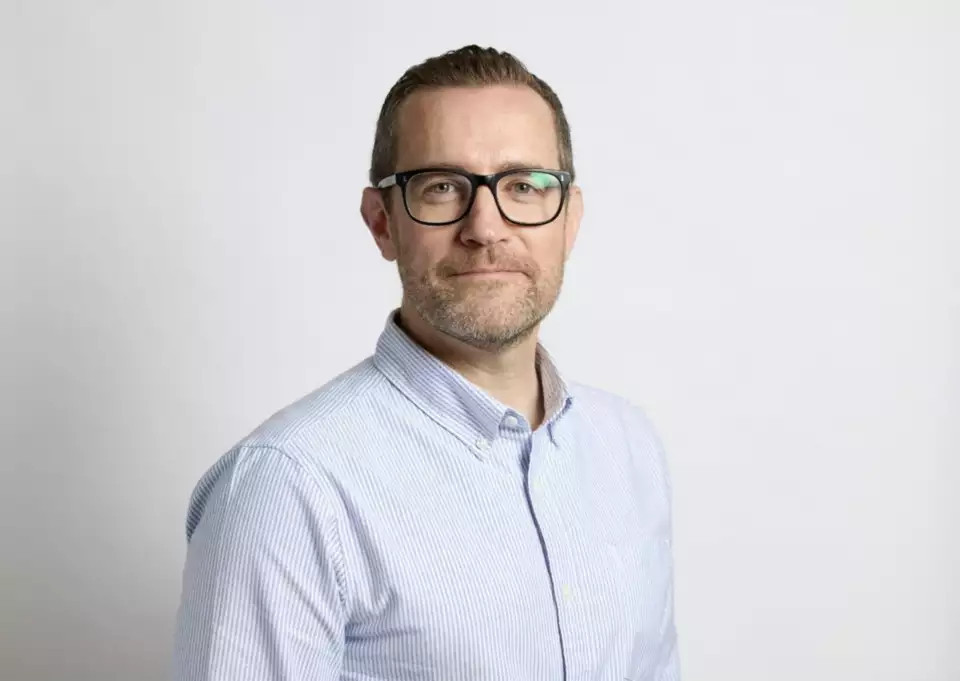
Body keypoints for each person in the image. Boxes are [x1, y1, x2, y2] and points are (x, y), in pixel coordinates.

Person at [172, 44, 680, 681]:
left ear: (569, 220)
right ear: (382, 223)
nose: (486, 227)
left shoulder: (628, 448)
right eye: (442, 187)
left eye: (524, 186)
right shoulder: (288, 488)